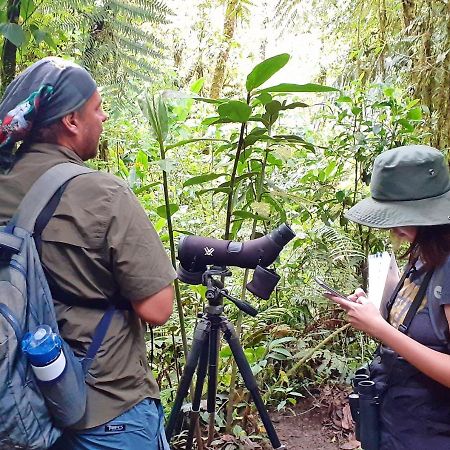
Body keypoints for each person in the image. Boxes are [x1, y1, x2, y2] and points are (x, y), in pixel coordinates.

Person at [0, 57, 177, 449]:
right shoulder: (103, 193)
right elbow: (158, 308)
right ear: (71, 121)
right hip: (106, 408)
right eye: (97, 108)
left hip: (20, 408)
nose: (105, 117)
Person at [326, 144, 450, 449]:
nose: (394, 230)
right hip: (399, 422)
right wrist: (375, 310)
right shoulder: (425, 253)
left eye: (399, 218)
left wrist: (379, 329)